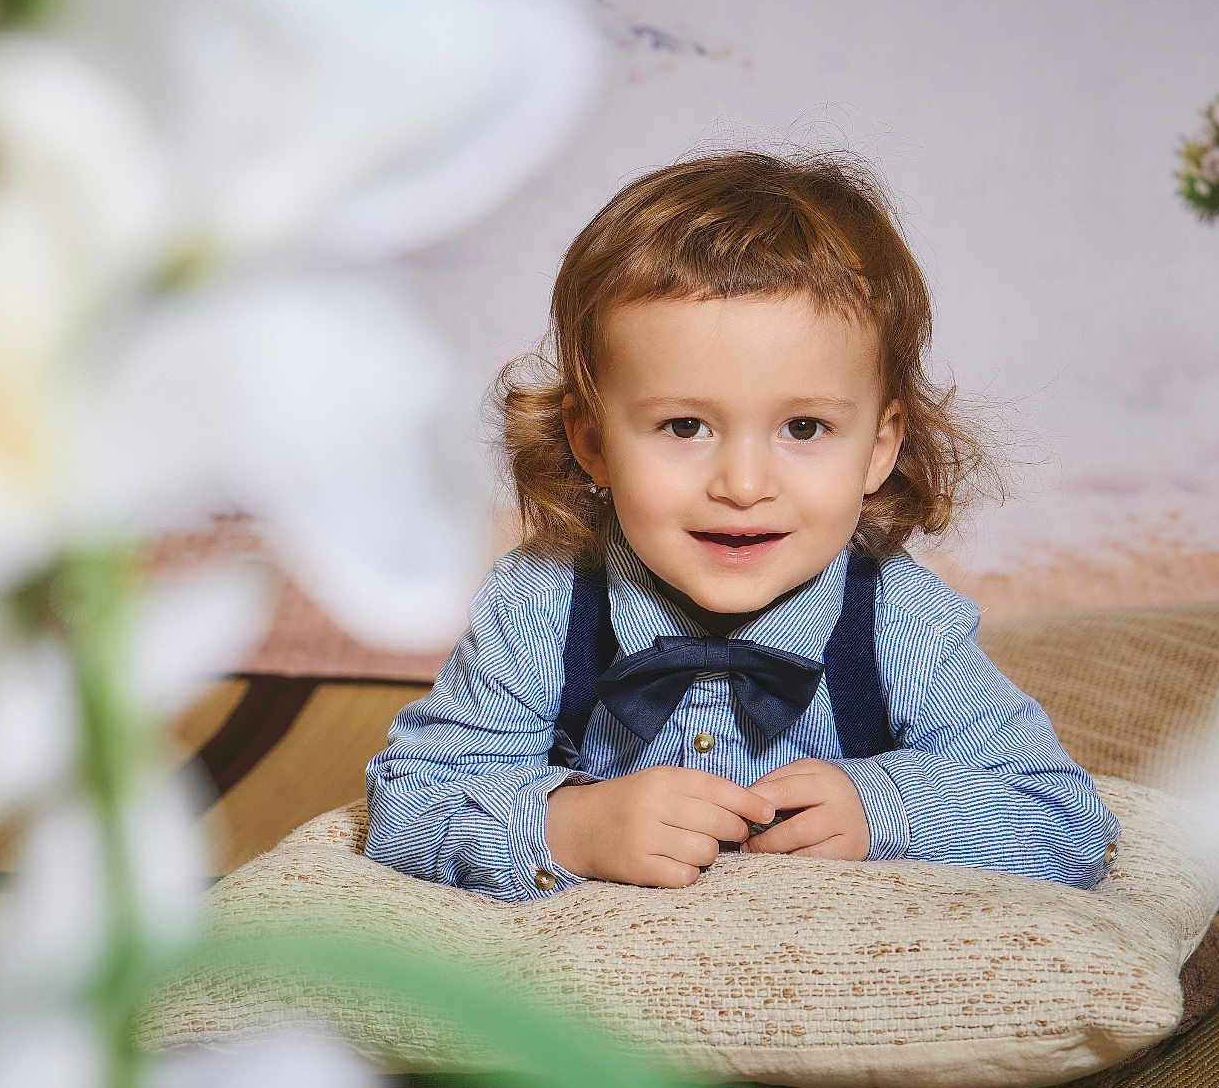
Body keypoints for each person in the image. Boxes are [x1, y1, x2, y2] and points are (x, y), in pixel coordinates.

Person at [364, 151, 1118, 903]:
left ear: (879, 449)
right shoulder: (538, 605)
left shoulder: (903, 624)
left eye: (805, 427)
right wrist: (569, 826)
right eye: (686, 426)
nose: (745, 486)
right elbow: (406, 805)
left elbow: (1069, 821)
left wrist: (888, 809)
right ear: (592, 440)